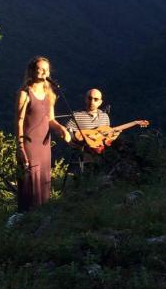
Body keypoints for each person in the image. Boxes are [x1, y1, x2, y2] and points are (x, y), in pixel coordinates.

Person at [15, 56, 72, 211]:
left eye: (45, 70)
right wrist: (20, 147)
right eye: (39, 69)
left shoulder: (49, 93)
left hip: (44, 145)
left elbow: (50, 119)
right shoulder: (25, 93)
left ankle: (41, 217)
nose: (42, 72)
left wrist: (61, 129)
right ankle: (26, 217)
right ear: (32, 71)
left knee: (44, 180)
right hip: (29, 144)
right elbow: (19, 121)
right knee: (30, 181)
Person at [66, 89, 112, 166]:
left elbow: (106, 135)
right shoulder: (76, 115)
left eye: (96, 99)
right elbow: (67, 132)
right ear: (85, 99)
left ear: (100, 102)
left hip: (101, 158)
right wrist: (74, 141)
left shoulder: (105, 117)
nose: (92, 101)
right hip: (81, 159)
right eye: (89, 98)